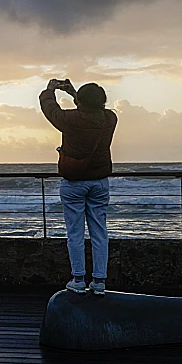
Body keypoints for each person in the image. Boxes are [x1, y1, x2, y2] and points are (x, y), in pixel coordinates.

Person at [39, 79, 118, 295]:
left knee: (75, 232)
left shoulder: (69, 120)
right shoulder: (110, 119)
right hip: (100, 182)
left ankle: (78, 279)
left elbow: (50, 109)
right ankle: (99, 282)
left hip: (74, 183)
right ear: (103, 101)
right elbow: (89, 110)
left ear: (80, 103)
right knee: (99, 231)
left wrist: (50, 90)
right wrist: (74, 93)